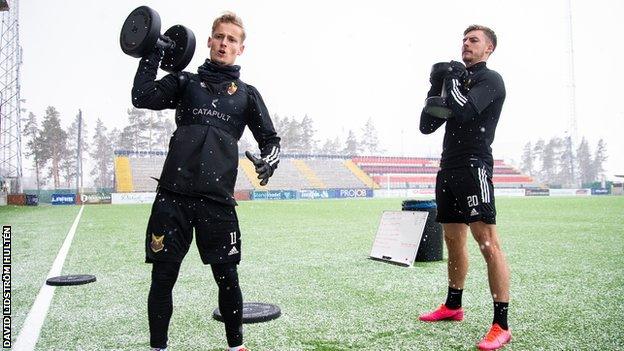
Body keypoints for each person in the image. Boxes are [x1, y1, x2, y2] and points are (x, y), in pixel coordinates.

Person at [131, 11, 281, 351]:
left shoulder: (247, 95)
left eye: (232, 39)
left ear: (241, 48)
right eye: (219, 37)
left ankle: (236, 347)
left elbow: (271, 140)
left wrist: (268, 162)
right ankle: (158, 347)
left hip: (217, 202)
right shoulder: (185, 83)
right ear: (209, 41)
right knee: (163, 277)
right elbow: (141, 96)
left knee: (228, 279)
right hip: (173, 198)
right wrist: (155, 50)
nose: (224, 43)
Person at [418, 25, 511, 351]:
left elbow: (467, 110)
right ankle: (453, 306)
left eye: (474, 41)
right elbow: (427, 126)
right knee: (453, 240)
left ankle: (501, 324)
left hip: (474, 166)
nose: (466, 45)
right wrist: (435, 86)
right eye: (464, 40)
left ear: (489, 49)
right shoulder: (455, 82)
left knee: (487, 242)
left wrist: (453, 81)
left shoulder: (490, 80)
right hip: (449, 167)